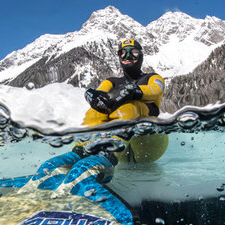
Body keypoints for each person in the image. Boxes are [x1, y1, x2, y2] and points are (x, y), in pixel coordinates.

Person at [29, 39, 168, 201]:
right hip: (126, 149)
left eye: (134, 52)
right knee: (98, 109)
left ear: (141, 56)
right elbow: (101, 92)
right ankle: (80, 152)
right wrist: (94, 97)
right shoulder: (112, 82)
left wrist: (134, 91)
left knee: (128, 106)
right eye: (123, 53)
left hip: (149, 144)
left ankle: (108, 157)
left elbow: (155, 90)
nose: (128, 56)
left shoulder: (153, 78)